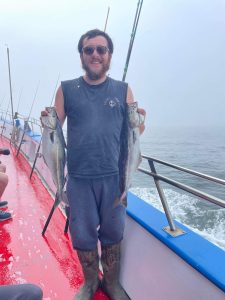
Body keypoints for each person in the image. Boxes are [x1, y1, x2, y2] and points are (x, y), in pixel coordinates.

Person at [47, 29, 145, 300]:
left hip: (114, 178)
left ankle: (111, 282)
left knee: (113, 233)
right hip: (78, 179)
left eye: (101, 50)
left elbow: (131, 135)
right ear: (81, 55)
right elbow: (54, 132)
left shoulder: (123, 91)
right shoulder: (66, 89)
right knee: (83, 234)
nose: (95, 54)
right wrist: (47, 123)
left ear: (109, 55)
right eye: (89, 49)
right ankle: (90, 282)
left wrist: (140, 126)